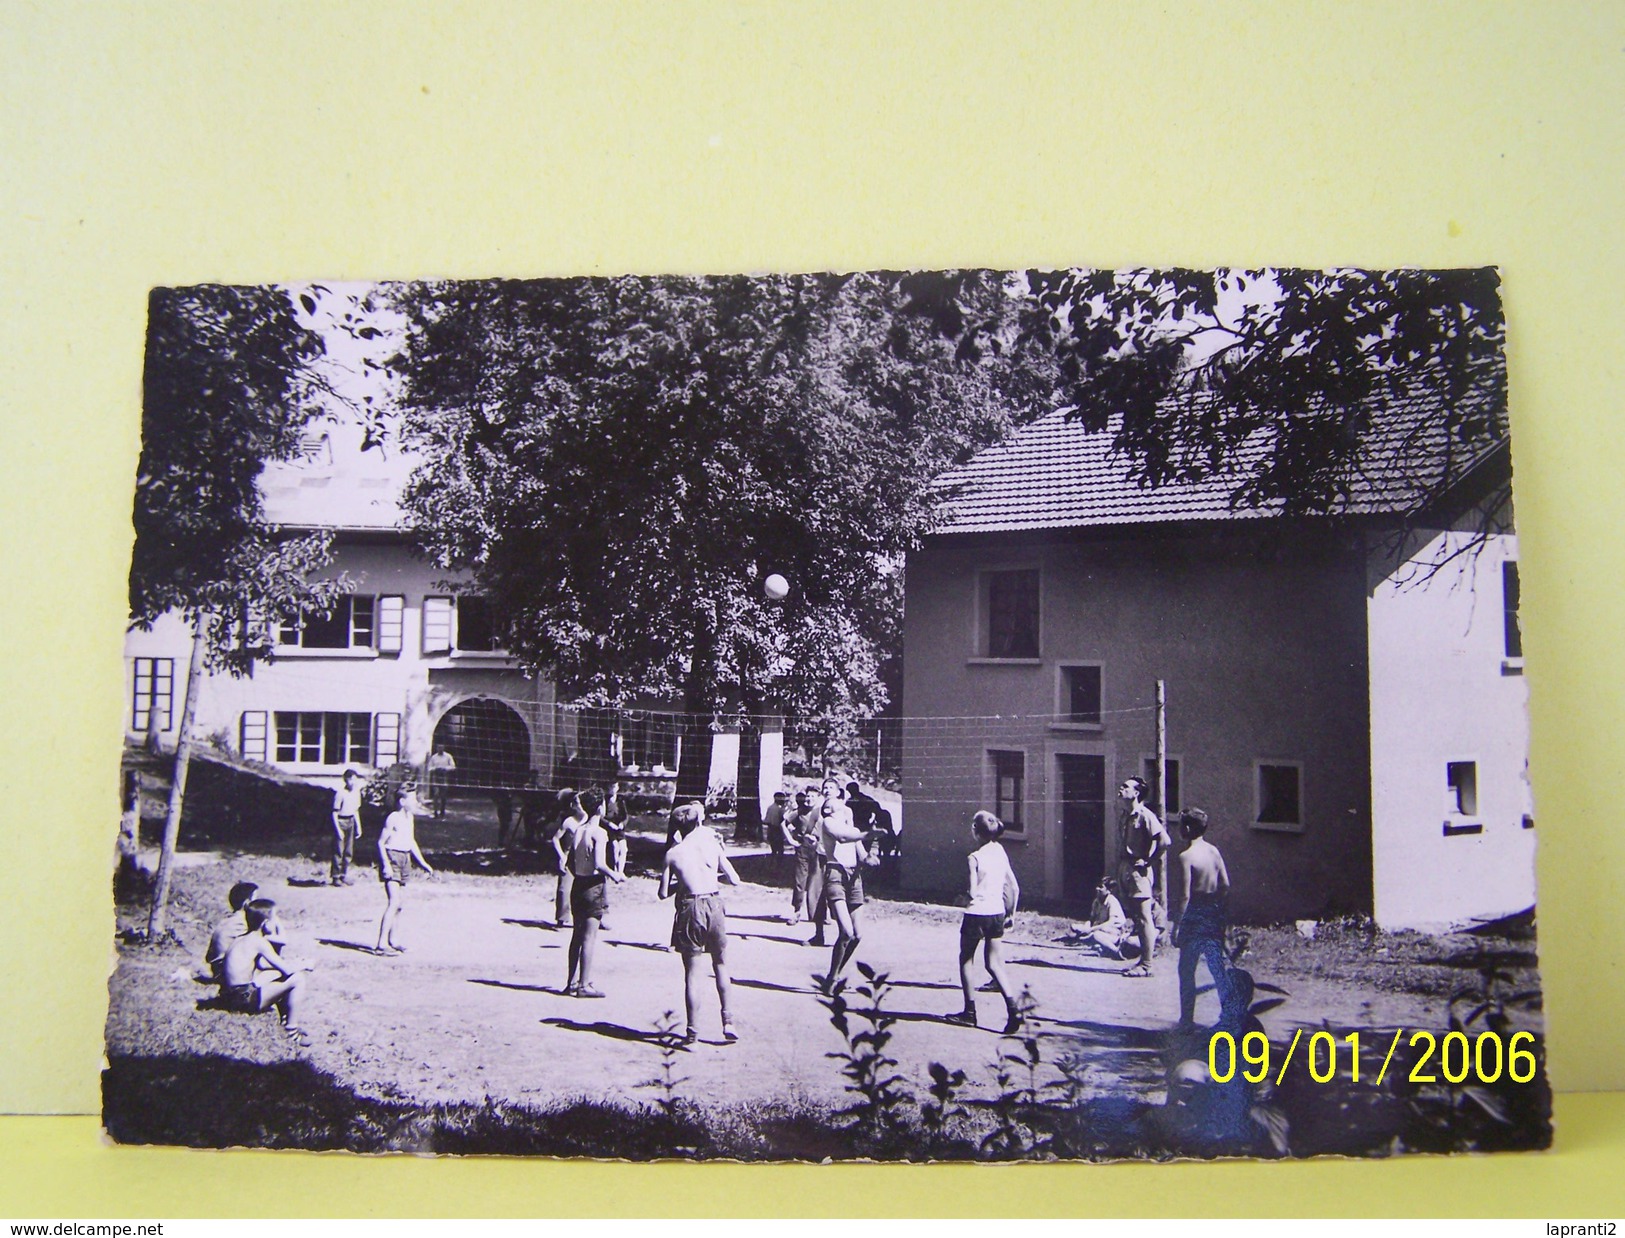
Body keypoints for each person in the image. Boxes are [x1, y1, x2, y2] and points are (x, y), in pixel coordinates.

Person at [658, 800, 742, 1044]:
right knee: (721, 964)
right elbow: (734, 879)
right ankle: (728, 1021)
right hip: (715, 903)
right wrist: (709, 879)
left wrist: (683, 881)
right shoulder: (712, 846)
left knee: (693, 973)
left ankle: (692, 1033)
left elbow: (663, 893)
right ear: (698, 822)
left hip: (690, 907)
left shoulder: (673, 854)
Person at [947, 811, 1024, 1034]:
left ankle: (969, 1013)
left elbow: (972, 892)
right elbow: (1015, 887)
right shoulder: (1000, 851)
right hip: (997, 912)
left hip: (976, 913)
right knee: (994, 964)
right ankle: (1013, 1009)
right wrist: (1012, 914)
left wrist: (961, 898)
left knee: (966, 959)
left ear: (975, 831)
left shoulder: (974, 857)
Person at [1173, 808, 1237, 1027]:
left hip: (1194, 913)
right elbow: (1225, 885)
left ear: (1188, 828)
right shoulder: (1213, 851)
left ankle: (1186, 1021)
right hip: (1212, 911)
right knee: (1216, 967)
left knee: (1186, 969)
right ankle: (1229, 1015)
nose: (1178, 829)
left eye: (1180, 825)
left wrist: (1177, 926)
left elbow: (1184, 896)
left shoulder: (1185, 856)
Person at [220, 898, 314, 1047]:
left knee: (275, 974)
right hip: (242, 998)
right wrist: (304, 964)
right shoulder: (259, 942)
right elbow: (288, 971)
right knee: (298, 979)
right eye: (274, 919)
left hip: (228, 994)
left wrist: (286, 966)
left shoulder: (242, 938)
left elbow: (265, 965)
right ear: (265, 923)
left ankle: (285, 1017)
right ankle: (292, 1030)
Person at [563, 789, 625, 997]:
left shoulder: (579, 830)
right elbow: (599, 864)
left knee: (576, 936)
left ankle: (571, 982)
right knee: (590, 938)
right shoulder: (600, 833)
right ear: (601, 807)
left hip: (577, 885)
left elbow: (570, 862)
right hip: (593, 886)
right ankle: (584, 985)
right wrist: (616, 875)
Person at [816, 779, 871, 992]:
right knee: (846, 932)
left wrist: (871, 857)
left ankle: (834, 976)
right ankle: (832, 976)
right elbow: (843, 837)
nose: (832, 807)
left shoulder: (851, 825)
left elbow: (862, 854)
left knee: (857, 935)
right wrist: (868, 834)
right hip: (835, 874)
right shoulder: (828, 823)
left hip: (854, 876)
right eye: (828, 806)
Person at [1118, 775, 1170, 979]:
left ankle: (1147, 964)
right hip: (1126, 869)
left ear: (1136, 793)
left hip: (1140, 873)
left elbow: (1165, 841)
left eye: (1126, 787)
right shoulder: (1125, 815)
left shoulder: (1145, 815)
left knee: (1144, 917)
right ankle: (1144, 959)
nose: (1121, 789)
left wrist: (1149, 860)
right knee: (1137, 918)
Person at [375, 786, 435, 955]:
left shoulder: (410, 817)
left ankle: (393, 940)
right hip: (392, 858)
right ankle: (381, 944)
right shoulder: (392, 818)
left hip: (405, 858)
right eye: (412, 799)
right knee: (393, 902)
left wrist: (423, 863)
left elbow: (411, 841)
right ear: (402, 802)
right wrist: (386, 864)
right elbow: (381, 843)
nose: (416, 802)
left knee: (399, 905)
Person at [204, 880, 283, 982]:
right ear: (247, 903)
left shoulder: (228, 920)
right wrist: (274, 918)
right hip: (225, 971)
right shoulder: (244, 921)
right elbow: (282, 940)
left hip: (216, 967)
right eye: (255, 899)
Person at [785, 789, 825, 936]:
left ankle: (820, 915)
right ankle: (796, 911)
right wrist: (790, 839)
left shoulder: (823, 811)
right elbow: (784, 822)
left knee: (818, 884)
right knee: (799, 881)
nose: (809, 798)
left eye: (813, 796)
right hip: (802, 849)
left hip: (819, 850)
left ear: (818, 798)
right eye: (808, 796)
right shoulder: (799, 812)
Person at [1071, 876, 1132, 959]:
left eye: (1101, 887)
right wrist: (1086, 927)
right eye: (1097, 886)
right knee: (1077, 928)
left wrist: (1091, 929)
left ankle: (1116, 952)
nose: (1097, 889)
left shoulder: (1112, 901)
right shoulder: (1096, 901)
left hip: (1114, 932)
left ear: (1109, 890)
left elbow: (1110, 923)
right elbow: (1091, 919)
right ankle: (1097, 944)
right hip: (1101, 929)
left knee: (1095, 935)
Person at [551, 789, 584, 928]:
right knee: (564, 888)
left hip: (585, 857)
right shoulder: (569, 821)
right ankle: (562, 918)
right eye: (577, 803)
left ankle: (597, 916)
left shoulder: (591, 820)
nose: (580, 806)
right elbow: (555, 838)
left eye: (582, 803)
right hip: (569, 857)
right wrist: (562, 856)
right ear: (573, 806)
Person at [330, 768, 364, 885]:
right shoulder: (340, 794)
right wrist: (338, 829)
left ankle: (344, 875)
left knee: (348, 851)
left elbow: (356, 811)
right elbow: (334, 813)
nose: (352, 782)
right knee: (339, 850)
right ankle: (335, 876)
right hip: (341, 821)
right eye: (350, 779)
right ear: (345, 780)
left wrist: (358, 827)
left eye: (355, 779)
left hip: (351, 822)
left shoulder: (356, 793)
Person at [427, 744, 457, 818]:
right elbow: (429, 767)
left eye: (441, 748)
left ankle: (442, 812)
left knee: (443, 795)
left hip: (444, 777)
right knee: (436, 795)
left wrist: (445, 768)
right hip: (436, 777)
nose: (440, 749)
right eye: (438, 748)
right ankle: (435, 812)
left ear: (444, 748)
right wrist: (435, 769)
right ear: (437, 748)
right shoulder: (434, 757)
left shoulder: (448, 756)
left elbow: (453, 766)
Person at [763, 790, 790, 859]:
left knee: (774, 849)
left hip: (772, 830)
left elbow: (767, 821)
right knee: (780, 849)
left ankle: (774, 861)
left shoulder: (770, 807)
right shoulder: (779, 809)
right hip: (777, 830)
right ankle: (778, 863)